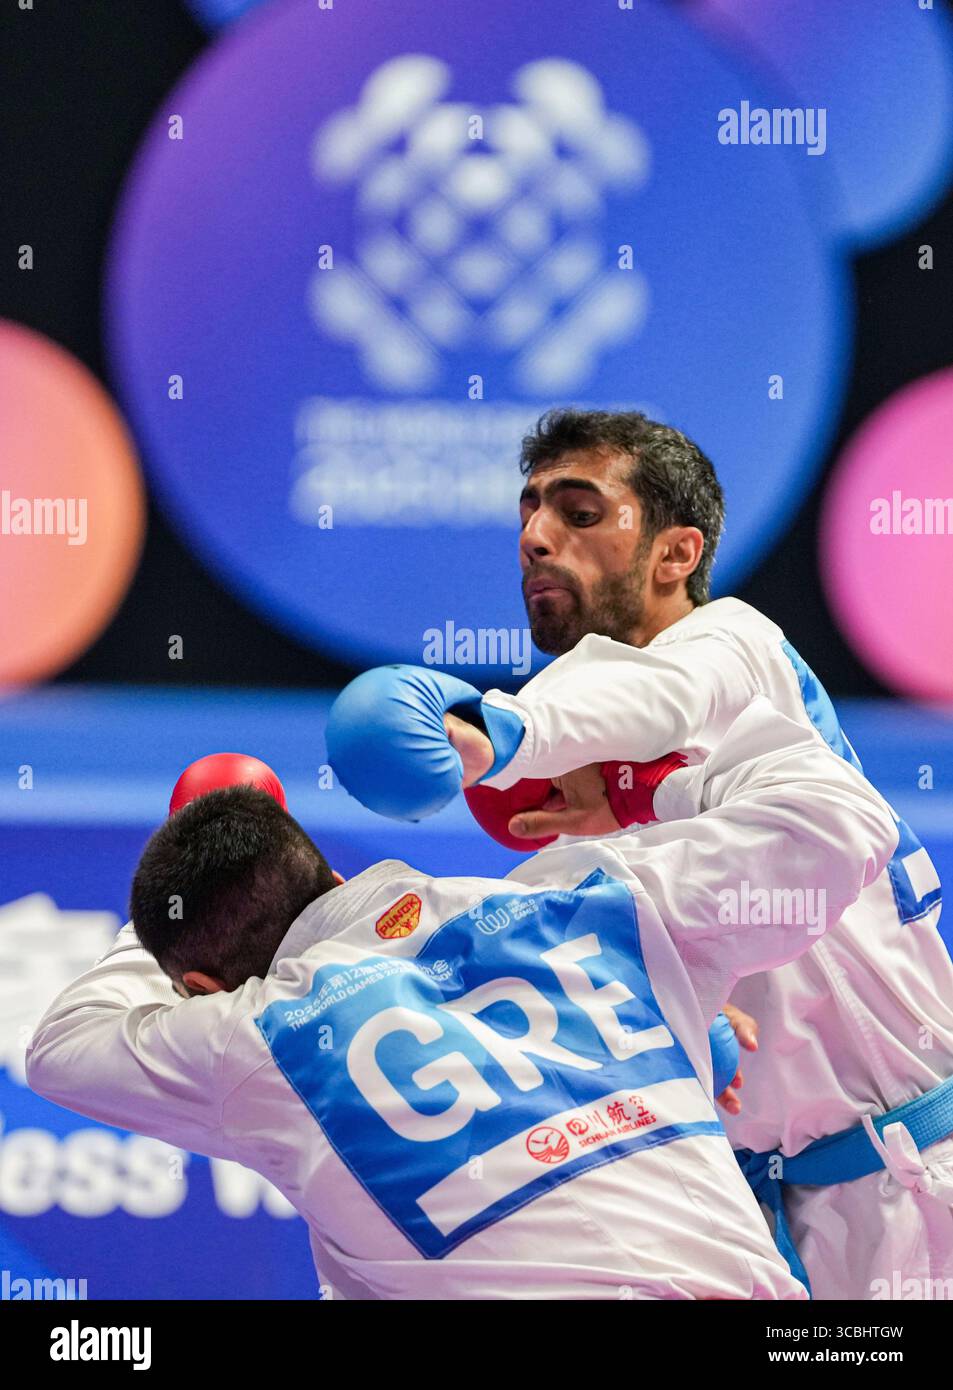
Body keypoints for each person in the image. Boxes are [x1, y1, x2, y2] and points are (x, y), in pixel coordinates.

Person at [25, 699, 894, 1300]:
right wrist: (636, 787)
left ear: (202, 991)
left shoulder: (250, 1041)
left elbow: (62, 1046)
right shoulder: (587, 896)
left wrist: (191, 857)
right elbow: (839, 818)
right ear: (334, 874)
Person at [450, 406, 953, 1300]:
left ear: (676, 554)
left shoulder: (732, 646)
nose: (534, 536)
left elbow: (661, 695)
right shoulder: (588, 750)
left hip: (917, 1193)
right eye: (527, 510)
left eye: (578, 511)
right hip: (765, 1222)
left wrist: (501, 731)